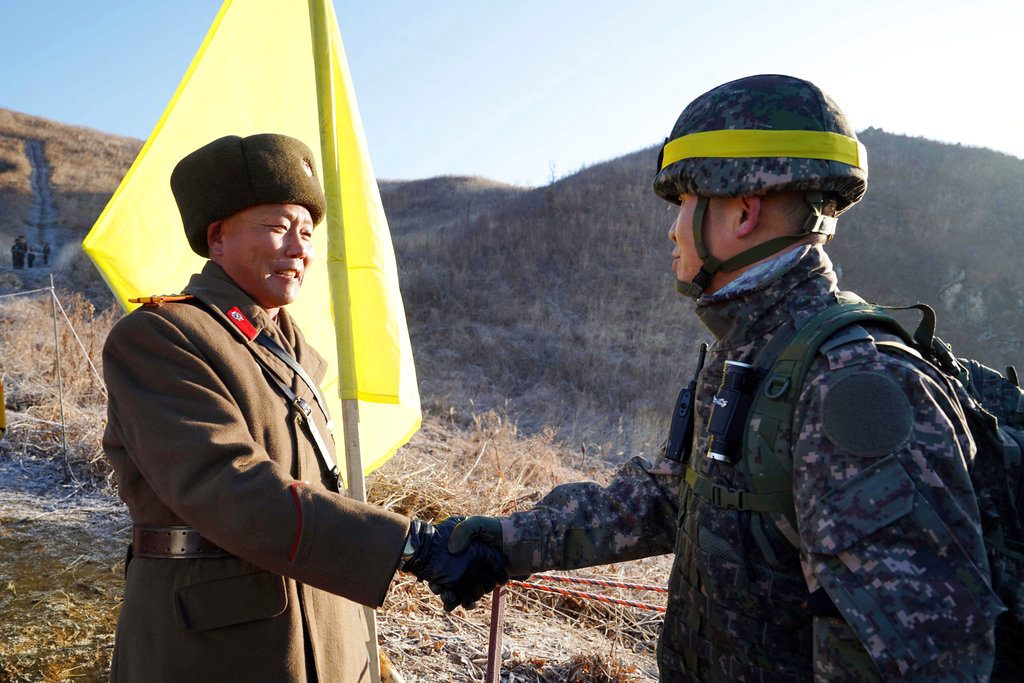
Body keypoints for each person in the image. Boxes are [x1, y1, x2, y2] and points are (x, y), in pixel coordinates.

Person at [448, 75, 1005, 681]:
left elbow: (920, 663)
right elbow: (671, 501)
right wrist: (505, 542)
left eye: (684, 205)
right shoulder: (755, 354)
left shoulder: (855, 385)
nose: (673, 229)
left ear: (742, 211)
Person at [101, 133, 508, 682]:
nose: (300, 248)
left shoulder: (294, 353)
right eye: (277, 227)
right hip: (216, 648)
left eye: (307, 232)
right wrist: (410, 546)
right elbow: (231, 486)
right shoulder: (159, 338)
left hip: (324, 629)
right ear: (216, 237)